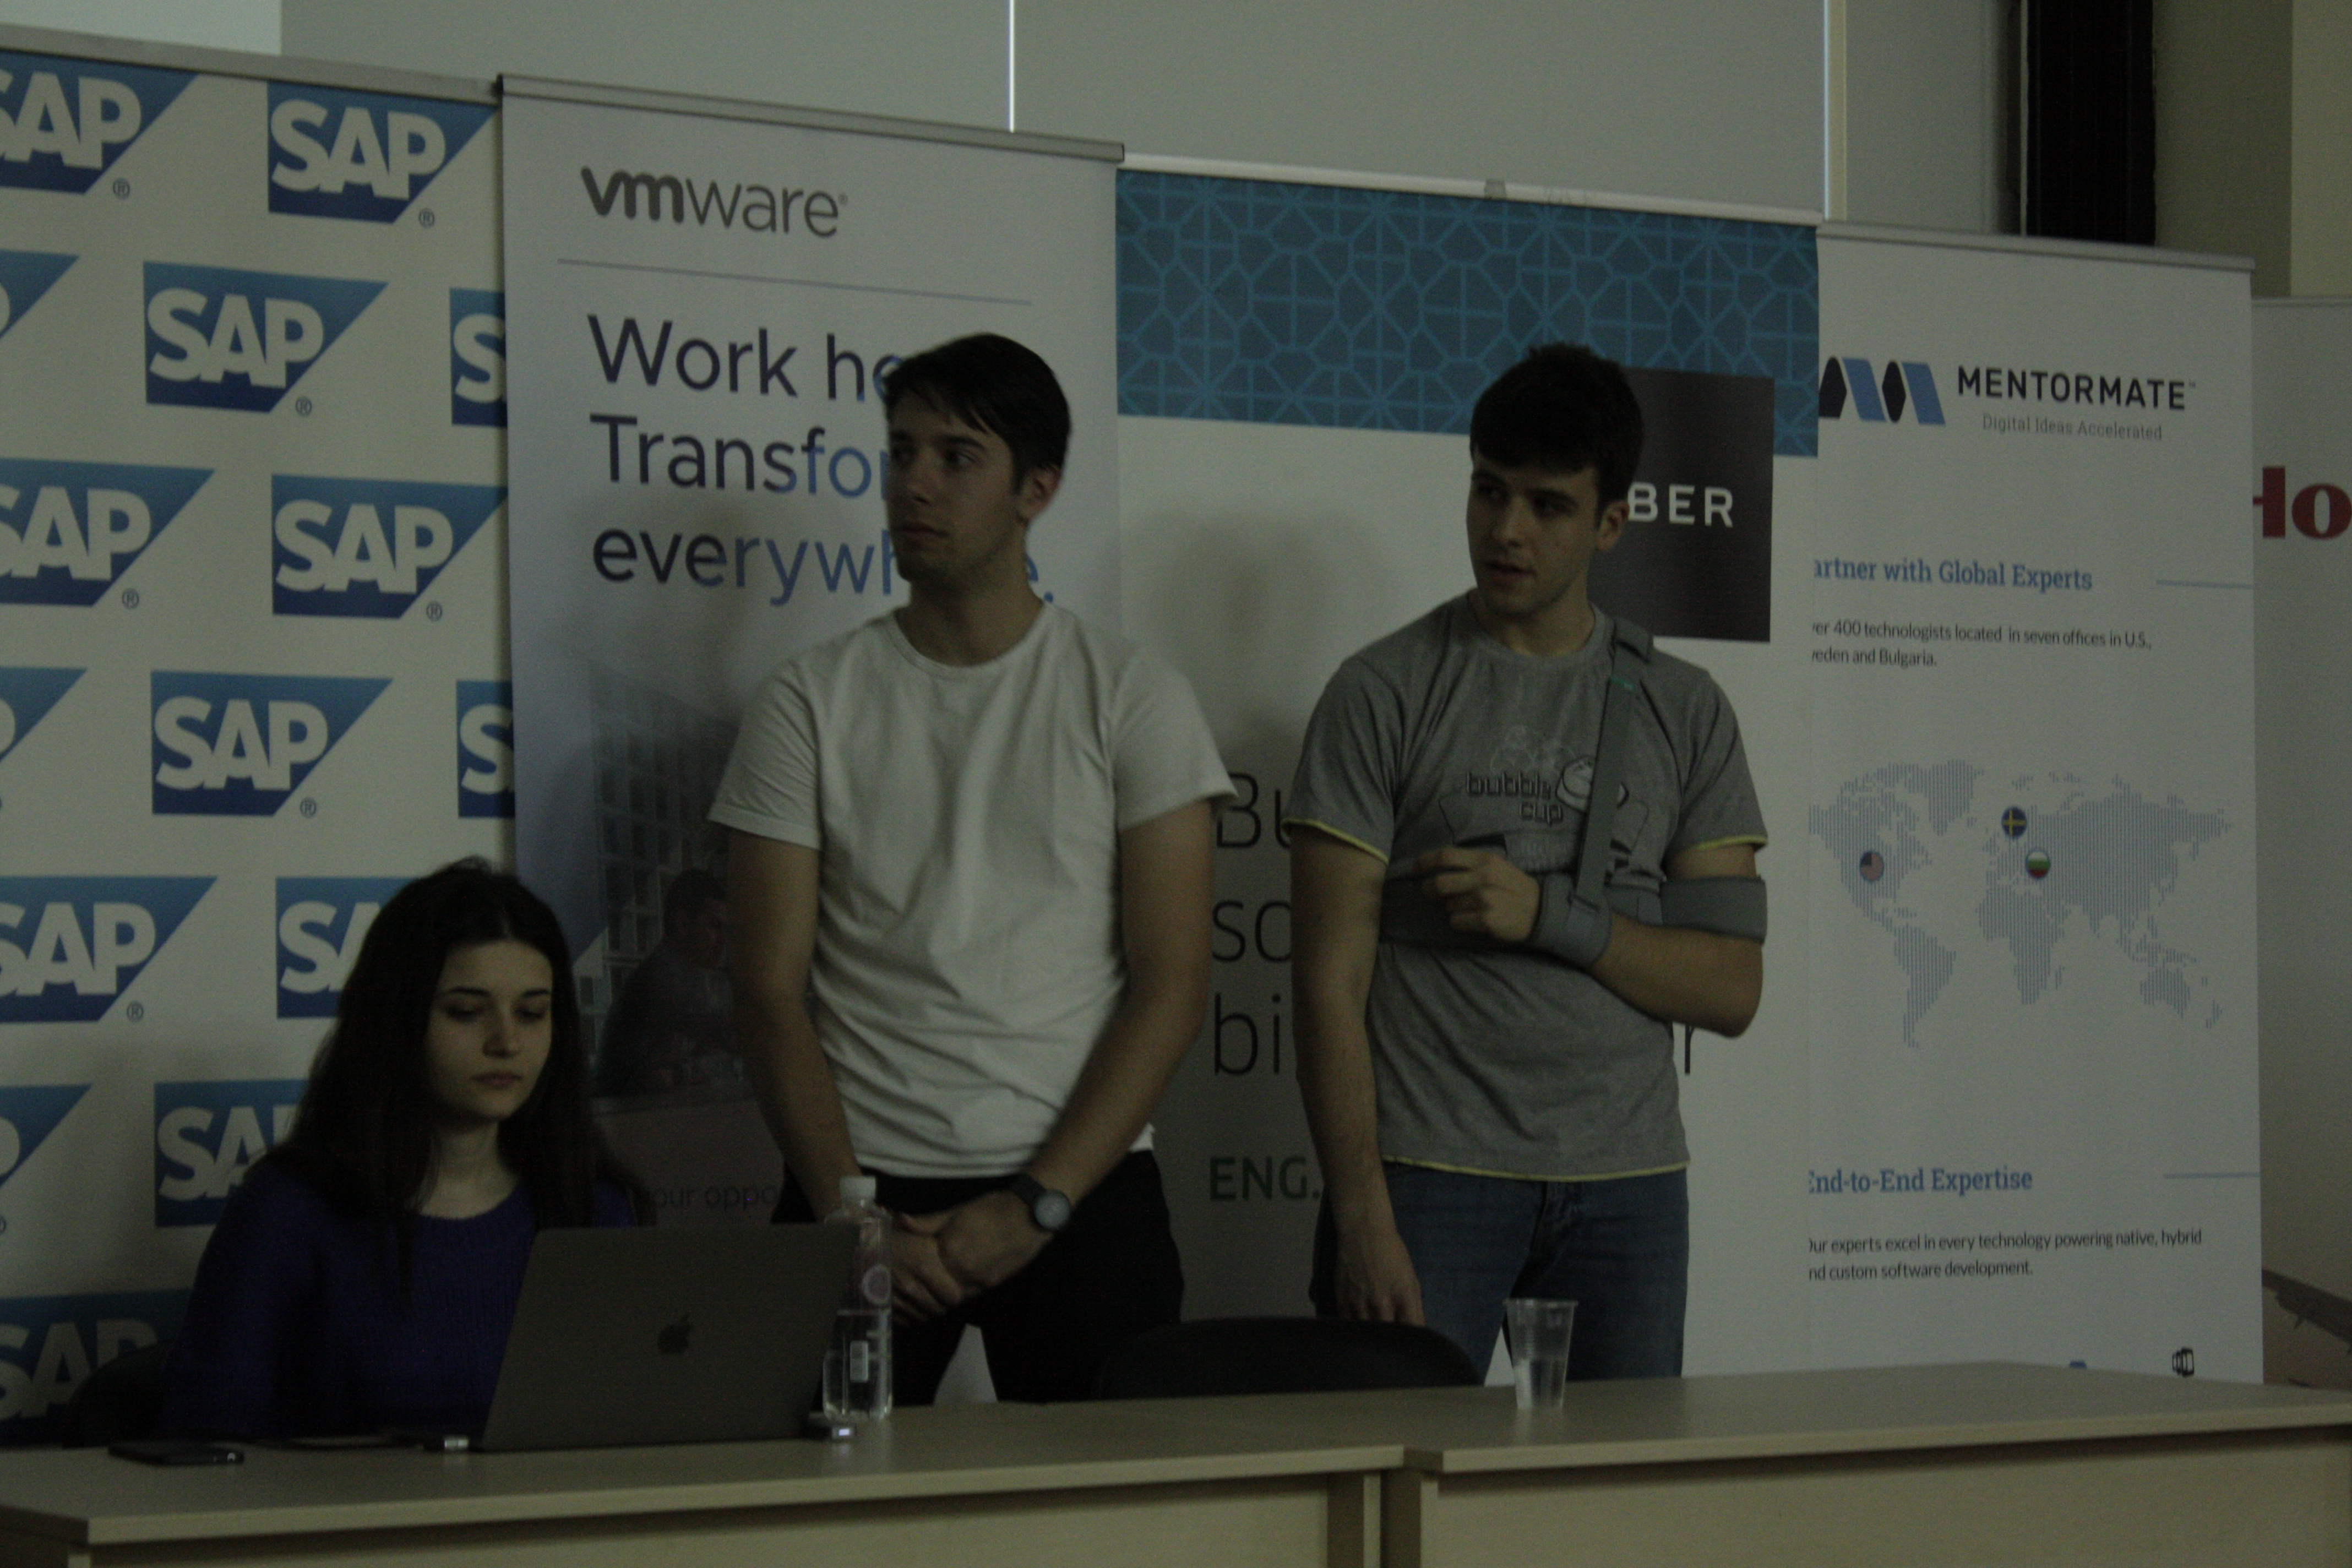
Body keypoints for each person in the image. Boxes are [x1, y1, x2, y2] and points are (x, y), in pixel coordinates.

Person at [711, 332, 1231, 1403]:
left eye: (956, 456)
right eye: (901, 451)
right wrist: (850, 1213)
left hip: (1078, 1183)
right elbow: (765, 989)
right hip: (859, 1187)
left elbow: (1173, 982)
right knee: (796, 1495)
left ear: (1037, 488)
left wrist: (1037, 1201)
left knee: (1119, 1496)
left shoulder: (1131, 693)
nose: (914, 484)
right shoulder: (808, 699)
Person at [1286, 342, 1767, 1380]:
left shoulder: (1685, 707)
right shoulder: (1381, 691)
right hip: (1429, 1173)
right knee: (1391, 1467)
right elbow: (1326, 982)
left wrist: (1553, 917)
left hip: (1630, 1183)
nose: (1506, 530)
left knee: (1616, 1480)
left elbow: (1730, 989)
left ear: (1611, 523)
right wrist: (1361, 1213)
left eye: (1548, 506)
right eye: (1488, 490)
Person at [157, 860, 643, 1439]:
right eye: (466, 1012)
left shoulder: (595, 1208)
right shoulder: (289, 1211)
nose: (507, 1041)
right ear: (395, 1019)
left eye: (532, 1013)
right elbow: (204, 1449)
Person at [597, 867, 735, 1096]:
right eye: (714, 926)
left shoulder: (681, 976)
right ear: (682, 924)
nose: (723, 940)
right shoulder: (663, 981)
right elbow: (734, 1036)